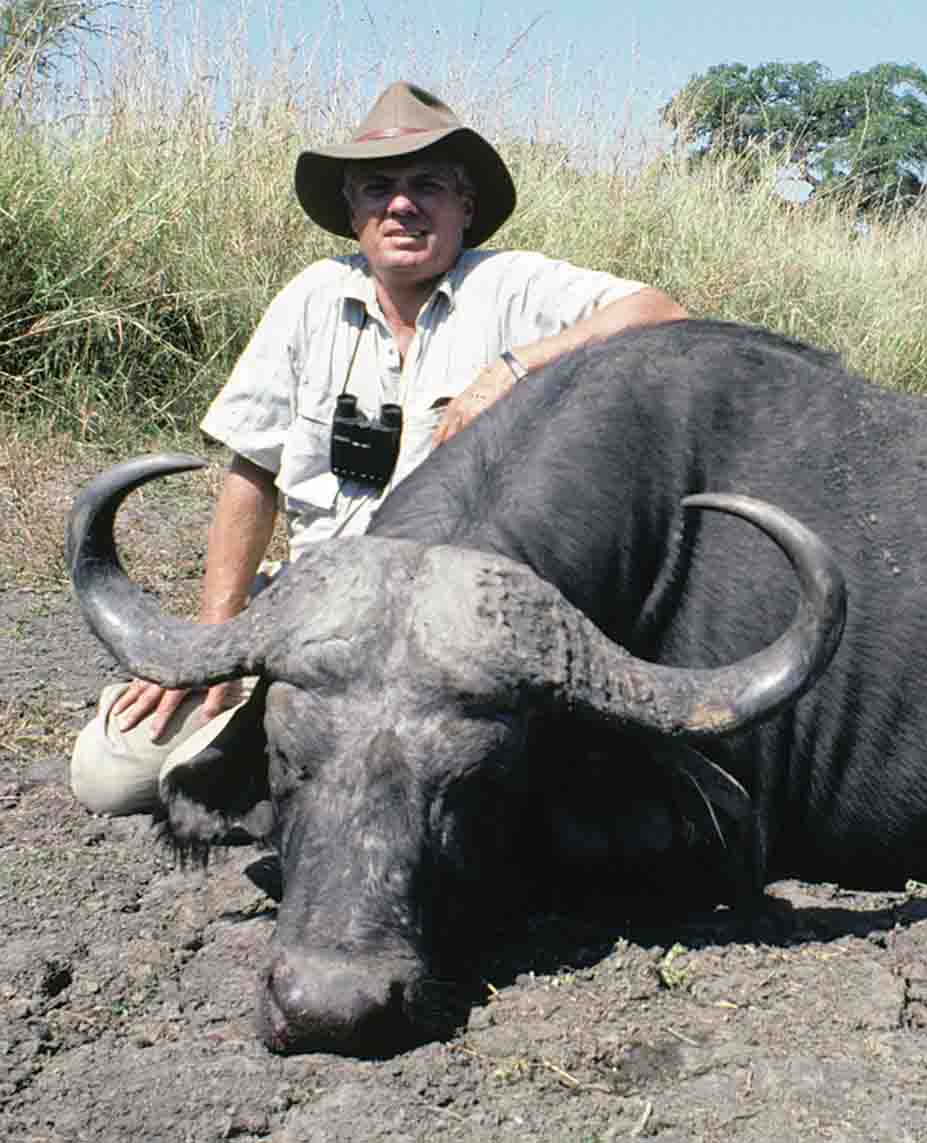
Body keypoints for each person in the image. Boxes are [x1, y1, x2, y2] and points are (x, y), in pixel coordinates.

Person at [70, 80, 687, 816]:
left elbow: (662, 314)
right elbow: (251, 473)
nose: (402, 205)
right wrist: (217, 636)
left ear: (465, 206)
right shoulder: (310, 297)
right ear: (353, 210)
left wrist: (519, 366)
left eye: (427, 185)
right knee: (109, 777)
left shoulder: (513, 287)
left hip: (458, 640)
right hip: (314, 624)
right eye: (379, 188)